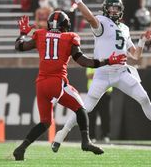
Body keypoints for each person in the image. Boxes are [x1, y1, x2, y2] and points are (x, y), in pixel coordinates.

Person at [51, 0, 151, 153]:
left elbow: (135, 56)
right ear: (105, 9)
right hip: (103, 73)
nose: (114, 11)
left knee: (144, 98)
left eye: (116, 8)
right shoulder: (101, 22)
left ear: (121, 10)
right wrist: (79, 0)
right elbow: (90, 18)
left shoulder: (125, 28)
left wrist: (141, 40)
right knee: (85, 108)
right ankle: (62, 134)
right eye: (111, 8)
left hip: (121, 72)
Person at [12, 11, 127, 160]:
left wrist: (22, 33)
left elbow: (19, 46)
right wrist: (107, 61)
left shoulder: (40, 34)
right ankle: (86, 142)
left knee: (45, 122)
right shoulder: (69, 37)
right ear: (65, 25)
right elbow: (84, 61)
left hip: (41, 84)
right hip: (57, 83)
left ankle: (21, 149)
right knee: (81, 108)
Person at [86, 68, 112, 142]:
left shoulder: (109, 63)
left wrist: (98, 74)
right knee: (92, 115)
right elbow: (89, 75)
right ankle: (91, 136)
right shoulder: (92, 61)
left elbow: (112, 75)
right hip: (93, 92)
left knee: (105, 116)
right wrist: (101, 74)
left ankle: (105, 135)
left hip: (105, 93)